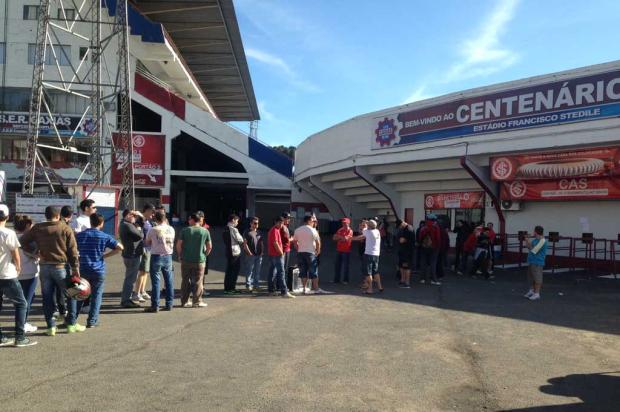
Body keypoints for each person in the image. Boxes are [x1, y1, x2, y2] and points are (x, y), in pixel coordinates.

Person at [20, 206, 81, 336]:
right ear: (58, 215)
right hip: (61, 267)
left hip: (44, 267)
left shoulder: (38, 228)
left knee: (47, 298)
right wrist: (75, 268)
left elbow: (22, 241)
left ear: (46, 215)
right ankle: (71, 324)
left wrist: (35, 253)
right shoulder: (65, 228)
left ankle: (51, 327)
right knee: (72, 294)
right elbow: (73, 250)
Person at [75, 214, 123, 327]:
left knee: (79, 294)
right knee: (97, 296)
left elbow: (72, 249)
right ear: (101, 224)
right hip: (98, 270)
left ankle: (73, 318)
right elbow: (120, 247)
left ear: (90, 222)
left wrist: (78, 258)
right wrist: (105, 256)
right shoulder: (104, 236)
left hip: (83, 268)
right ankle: (92, 321)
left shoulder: (80, 236)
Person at [0, 205, 37, 347]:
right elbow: (15, 253)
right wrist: (18, 266)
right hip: (7, 274)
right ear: (7, 217)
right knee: (21, 303)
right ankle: (20, 337)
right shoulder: (8, 233)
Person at [177, 213, 211, 307]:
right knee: (198, 281)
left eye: (189, 219)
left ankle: (184, 301)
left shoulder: (184, 230)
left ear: (192, 219)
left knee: (185, 280)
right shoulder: (205, 231)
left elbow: (179, 244)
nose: (188, 221)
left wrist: (180, 256)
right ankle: (197, 301)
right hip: (199, 260)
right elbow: (209, 246)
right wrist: (205, 255)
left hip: (186, 260)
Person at [144, 210, 175, 312]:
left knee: (156, 282)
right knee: (169, 281)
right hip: (168, 256)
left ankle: (155, 305)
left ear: (155, 218)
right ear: (165, 218)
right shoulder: (171, 229)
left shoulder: (153, 229)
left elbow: (147, 242)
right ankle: (169, 304)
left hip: (156, 256)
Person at [14, 215, 39, 333]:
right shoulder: (30, 240)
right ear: (28, 225)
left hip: (14, 273)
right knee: (26, 300)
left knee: (19, 300)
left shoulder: (10, 236)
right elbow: (36, 254)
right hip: (30, 272)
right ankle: (22, 324)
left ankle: (22, 323)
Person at [119, 209, 143, 308]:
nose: (135, 217)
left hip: (128, 254)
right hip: (132, 255)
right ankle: (126, 300)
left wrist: (138, 221)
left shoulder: (123, 223)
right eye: (133, 215)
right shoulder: (127, 225)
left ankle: (126, 299)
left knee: (129, 277)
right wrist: (140, 228)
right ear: (128, 215)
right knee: (130, 279)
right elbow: (140, 236)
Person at [267, 217, 295, 298]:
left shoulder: (275, 229)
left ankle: (271, 290)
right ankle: (284, 292)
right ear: (275, 222)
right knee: (281, 272)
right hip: (277, 255)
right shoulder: (274, 230)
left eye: (282, 223)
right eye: (280, 223)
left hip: (272, 254)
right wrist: (281, 253)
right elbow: (275, 243)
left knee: (272, 272)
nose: (281, 225)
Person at [353, 219, 383, 294]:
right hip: (376, 254)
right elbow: (367, 229)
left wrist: (350, 238)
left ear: (369, 226)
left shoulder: (368, 232)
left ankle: (370, 289)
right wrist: (367, 223)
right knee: (375, 271)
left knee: (368, 272)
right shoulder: (377, 231)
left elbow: (361, 233)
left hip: (368, 254)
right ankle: (380, 287)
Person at [294, 215, 322, 294]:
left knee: (303, 270)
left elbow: (295, 242)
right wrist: (318, 251)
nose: (314, 223)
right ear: (309, 221)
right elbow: (318, 242)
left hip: (301, 252)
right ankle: (316, 289)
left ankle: (304, 288)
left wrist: (298, 248)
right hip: (310, 253)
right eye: (313, 221)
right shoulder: (313, 230)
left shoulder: (297, 230)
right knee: (313, 271)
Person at [133, 203, 155, 302]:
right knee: (142, 271)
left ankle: (142, 291)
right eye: (152, 211)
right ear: (146, 210)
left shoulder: (148, 221)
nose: (153, 214)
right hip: (143, 248)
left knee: (146, 271)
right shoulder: (140, 220)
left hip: (149, 248)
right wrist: (140, 216)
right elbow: (138, 233)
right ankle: (136, 293)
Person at [222, 214, 244, 295]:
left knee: (229, 270)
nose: (237, 223)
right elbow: (240, 240)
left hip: (228, 250)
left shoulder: (225, 228)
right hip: (234, 252)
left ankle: (227, 288)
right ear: (233, 220)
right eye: (237, 220)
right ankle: (231, 288)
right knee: (234, 270)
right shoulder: (233, 229)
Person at [524, 226, 548, 301]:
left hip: (538, 262)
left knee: (537, 278)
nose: (533, 232)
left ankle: (537, 293)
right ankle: (531, 291)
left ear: (536, 232)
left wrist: (528, 240)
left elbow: (534, 250)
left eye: (534, 231)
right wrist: (526, 240)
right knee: (531, 278)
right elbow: (529, 247)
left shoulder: (542, 240)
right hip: (531, 261)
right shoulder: (535, 240)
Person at [418, 213, 441, 285]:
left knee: (423, 263)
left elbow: (420, 237)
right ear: (434, 220)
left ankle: (422, 279)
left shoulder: (423, 227)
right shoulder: (436, 227)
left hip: (424, 247)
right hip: (434, 247)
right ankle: (433, 279)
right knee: (433, 263)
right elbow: (438, 238)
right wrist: (438, 246)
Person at [243, 216, 263, 292]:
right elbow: (245, 244)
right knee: (249, 271)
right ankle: (248, 285)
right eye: (255, 223)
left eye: (257, 223)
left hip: (258, 255)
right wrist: (249, 253)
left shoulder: (259, 232)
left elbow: (261, 243)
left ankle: (256, 285)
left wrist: (261, 252)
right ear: (251, 223)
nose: (256, 225)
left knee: (257, 271)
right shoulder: (246, 232)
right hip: (250, 255)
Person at [395, 219, 415, 288]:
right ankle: (402, 280)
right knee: (402, 266)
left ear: (402, 223)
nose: (399, 227)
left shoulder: (408, 229)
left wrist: (399, 239)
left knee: (406, 267)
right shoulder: (406, 228)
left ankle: (407, 282)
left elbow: (401, 240)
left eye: (400, 226)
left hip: (407, 252)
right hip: (403, 251)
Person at [333, 217, 353, 284]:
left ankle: (345, 280)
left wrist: (339, 237)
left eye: (345, 223)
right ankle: (336, 280)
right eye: (343, 223)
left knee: (345, 266)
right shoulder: (340, 230)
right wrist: (341, 238)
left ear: (348, 223)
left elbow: (345, 239)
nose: (343, 224)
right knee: (337, 265)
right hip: (339, 249)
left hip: (346, 250)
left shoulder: (350, 230)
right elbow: (334, 238)